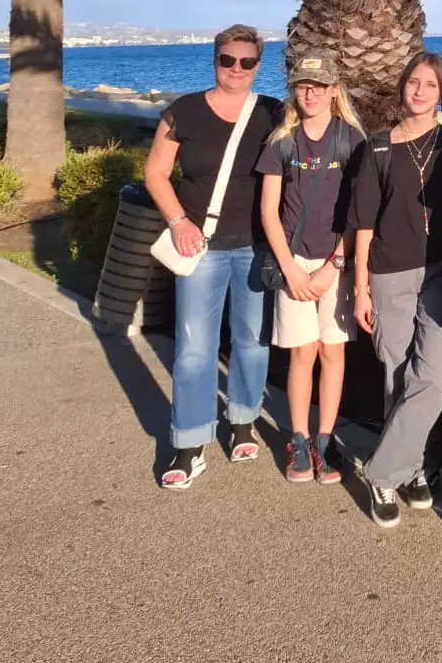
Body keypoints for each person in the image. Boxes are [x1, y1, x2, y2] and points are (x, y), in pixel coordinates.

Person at [144, 24, 282, 489]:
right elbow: (156, 173)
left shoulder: (272, 113)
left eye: (247, 61)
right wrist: (178, 221)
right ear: (214, 60)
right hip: (199, 244)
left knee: (252, 342)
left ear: (257, 66)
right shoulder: (183, 112)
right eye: (228, 60)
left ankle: (243, 419)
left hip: (256, 245)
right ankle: (189, 442)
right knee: (194, 349)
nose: (236, 68)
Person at [350, 51, 442, 527]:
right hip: (388, 274)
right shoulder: (378, 148)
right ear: (403, 86)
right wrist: (360, 288)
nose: (420, 92)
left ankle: (382, 472)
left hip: (441, 272)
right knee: (396, 376)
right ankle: (412, 468)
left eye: (430, 85)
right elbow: (363, 224)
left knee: (432, 376)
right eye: (414, 82)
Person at [257, 55, 364, 484]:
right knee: (302, 353)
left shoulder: (351, 140)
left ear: (334, 90)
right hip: (294, 262)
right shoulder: (282, 141)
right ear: (293, 90)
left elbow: (360, 211)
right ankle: (299, 438)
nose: (310, 93)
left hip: (335, 262)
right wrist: (291, 269)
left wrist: (335, 264)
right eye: (303, 85)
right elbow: (269, 211)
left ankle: (325, 438)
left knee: (332, 352)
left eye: (319, 86)